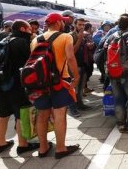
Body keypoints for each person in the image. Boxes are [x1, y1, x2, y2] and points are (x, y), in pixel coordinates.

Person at [30, 13, 80, 158]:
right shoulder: (66, 37)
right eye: (62, 21)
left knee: (42, 115)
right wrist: (75, 77)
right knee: (59, 115)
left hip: (40, 83)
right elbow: (70, 58)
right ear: (58, 23)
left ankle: (43, 148)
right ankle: (60, 148)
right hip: (60, 81)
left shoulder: (35, 40)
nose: (64, 24)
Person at [0, 20, 40, 155]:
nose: (31, 30)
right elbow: (30, 61)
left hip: (2, 83)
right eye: (29, 28)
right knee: (21, 115)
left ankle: (1, 144)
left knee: (3, 114)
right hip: (16, 85)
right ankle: (23, 145)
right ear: (22, 29)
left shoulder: (6, 40)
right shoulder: (21, 42)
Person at [68, 18, 91, 117]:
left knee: (81, 87)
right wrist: (80, 39)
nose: (82, 27)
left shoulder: (85, 35)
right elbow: (72, 51)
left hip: (83, 64)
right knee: (73, 88)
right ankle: (73, 109)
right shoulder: (70, 36)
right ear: (75, 25)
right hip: (75, 65)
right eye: (80, 24)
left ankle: (80, 104)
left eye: (83, 25)